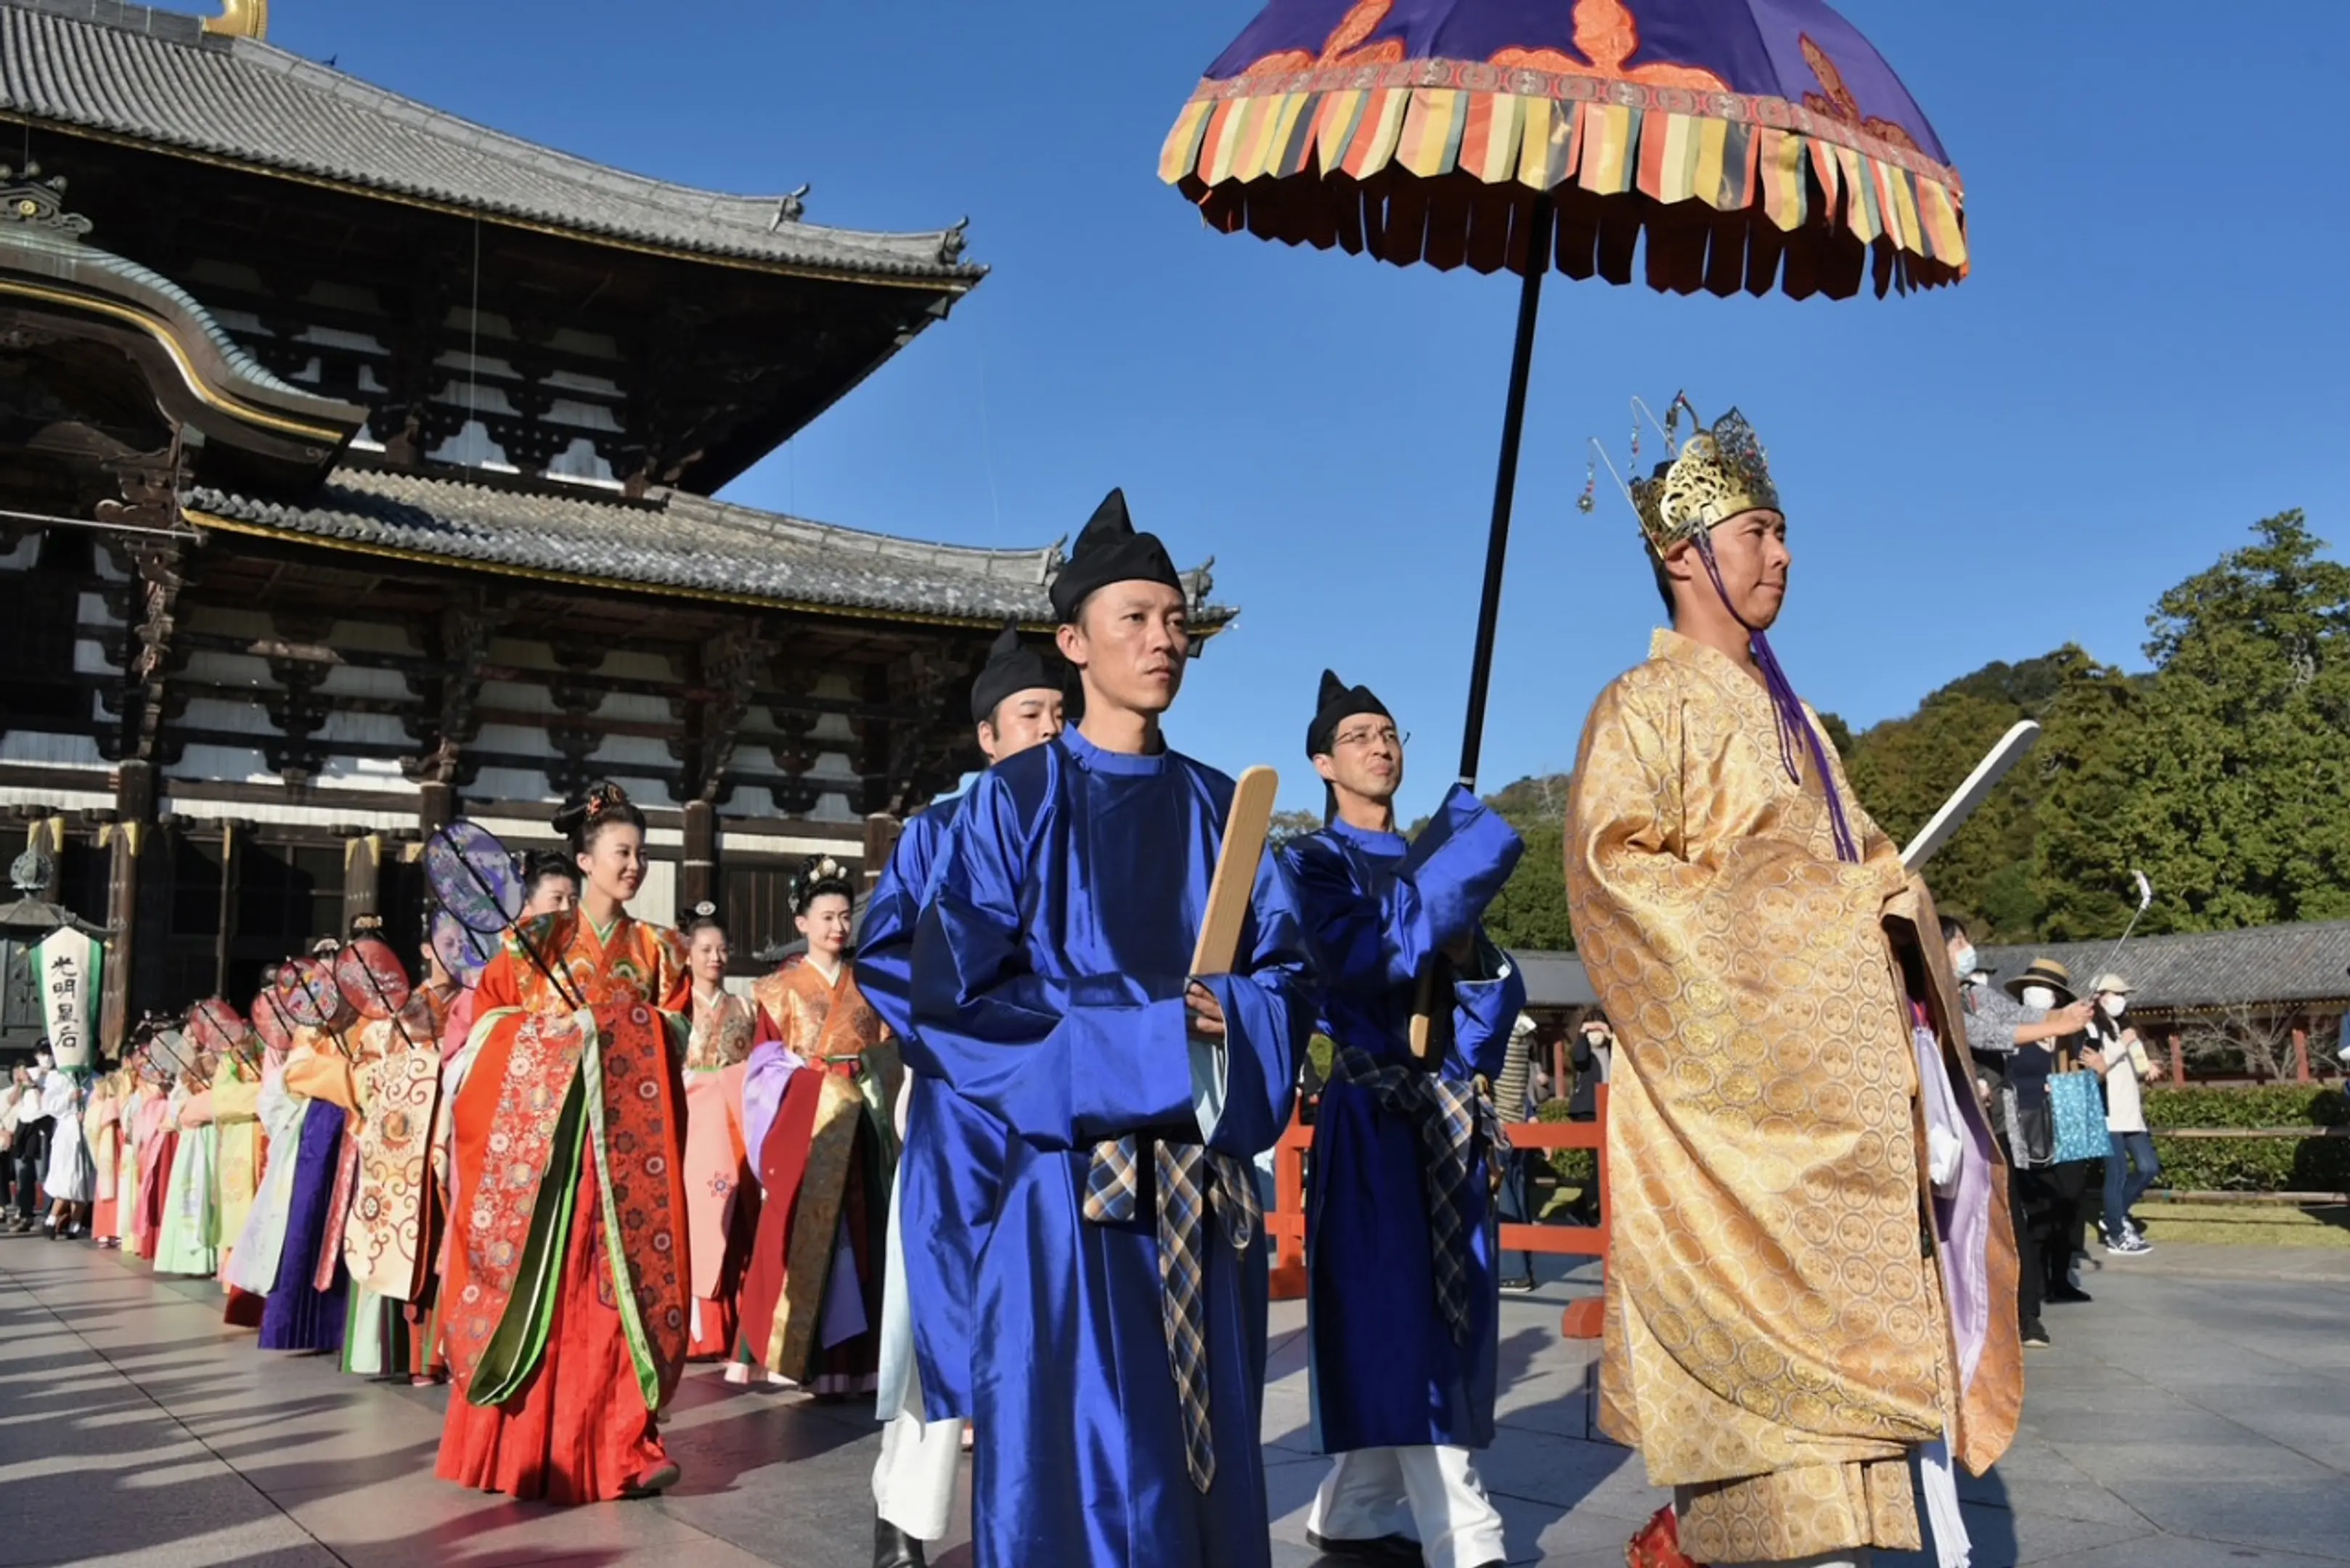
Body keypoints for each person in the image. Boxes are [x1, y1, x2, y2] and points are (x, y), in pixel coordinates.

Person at [1565, 404, 2021, 1568]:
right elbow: (1619, 896)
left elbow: (1874, 886)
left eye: (1782, 533)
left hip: (1836, 1144)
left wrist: (1889, 907)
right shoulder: (1641, 706)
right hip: (1739, 1158)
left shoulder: (1798, 724)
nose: (1784, 556)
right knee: (1775, 1501)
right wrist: (1829, 917)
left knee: (1876, 1474)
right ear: (1684, 553)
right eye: (1760, 531)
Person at [906, 489, 1310, 1568]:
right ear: (1073, 641)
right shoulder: (1010, 804)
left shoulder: (1230, 809)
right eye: (1135, 617)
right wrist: (1148, 1037)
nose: (1163, 638)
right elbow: (960, 1001)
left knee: (1202, 1460)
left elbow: (1286, 973)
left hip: (1201, 1188)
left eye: (1175, 619)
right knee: (1077, 1465)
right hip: (1066, 1192)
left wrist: (1243, 1014)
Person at [1279, 669, 1526, 1568]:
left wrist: (1468, 945)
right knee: (1399, 1309)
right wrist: (1448, 890)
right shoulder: (1310, 862)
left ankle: (1356, 1503)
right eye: (1358, 737)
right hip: (1373, 1109)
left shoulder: (1430, 861)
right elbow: (1354, 957)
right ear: (1322, 763)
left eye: (1389, 733)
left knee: (1441, 1308)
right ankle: (1468, 1532)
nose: (1380, 746)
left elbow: (1489, 991)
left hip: (1446, 1107)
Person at [854, 621, 1062, 1568]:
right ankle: (908, 1516)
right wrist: (965, 1043)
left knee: (1057, 1318)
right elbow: (883, 950)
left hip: (1063, 1109)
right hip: (967, 1102)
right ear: (988, 736)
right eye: (1031, 714)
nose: (1051, 730)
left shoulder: (1094, 832)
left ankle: (1040, 1519)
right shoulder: (937, 831)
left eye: (1062, 712)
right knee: (946, 1310)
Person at [437, 782, 693, 1504]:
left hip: (626, 1155)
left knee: (621, 1300)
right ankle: (518, 1447)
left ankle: (626, 1449)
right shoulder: (529, 945)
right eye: (622, 852)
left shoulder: (660, 950)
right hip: (547, 1159)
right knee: (539, 1294)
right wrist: (559, 1039)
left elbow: (676, 1033)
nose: (634, 866)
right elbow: (485, 1035)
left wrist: (614, 1029)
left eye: (642, 854)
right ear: (585, 860)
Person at [736, 855, 899, 1400]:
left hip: (862, 1125)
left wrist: (869, 1071)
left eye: (842, 916)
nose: (837, 926)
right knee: (803, 1237)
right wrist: (810, 1082)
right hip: (808, 1129)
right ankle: (798, 1356)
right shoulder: (776, 991)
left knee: (866, 1235)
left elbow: (887, 1051)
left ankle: (861, 1364)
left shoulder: (869, 986)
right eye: (825, 916)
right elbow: (763, 1070)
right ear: (801, 923)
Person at [1942, 922, 2092, 1349]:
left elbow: (2015, 1017)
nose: (1968, 949)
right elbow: (1979, 1035)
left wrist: (2066, 1015)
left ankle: (2026, 1315)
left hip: (1999, 1126)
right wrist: (2057, 1026)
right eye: (1960, 942)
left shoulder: (1973, 992)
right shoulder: (1934, 996)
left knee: (2011, 1218)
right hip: (1952, 1123)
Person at [677, 903, 759, 1366]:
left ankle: (736, 1326)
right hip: (693, 1122)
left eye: (722, 949)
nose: (716, 958)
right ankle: (696, 1330)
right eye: (705, 949)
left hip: (732, 1122)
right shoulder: (677, 1009)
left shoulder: (746, 1007)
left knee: (737, 1215)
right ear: (687, 955)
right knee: (695, 1220)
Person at [2087, 973, 2161, 1255]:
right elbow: (2095, 1065)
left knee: (2148, 1167)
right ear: (2100, 996)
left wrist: (2147, 1067)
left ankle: (2114, 1214)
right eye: (2114, 994)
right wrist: (2123, 1046)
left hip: (2131, 1110)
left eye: (2122, 995)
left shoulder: (2124, 1027)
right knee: (2116, 1173)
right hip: (2108, 1111)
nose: (2120, 1000)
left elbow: (2136, 1062)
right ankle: (2116, 1233)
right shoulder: (2092, 1029)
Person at [39, 1059, 93, 1239]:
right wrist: (69, 1099)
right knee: (66, 1179)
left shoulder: (95, 1078)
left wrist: (90, 1115)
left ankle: (75, 1224)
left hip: (88, 1135)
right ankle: (52, 1220)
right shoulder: (59, 1078)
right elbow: (49, 1106)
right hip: (67, 1134)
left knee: (85, 1181)